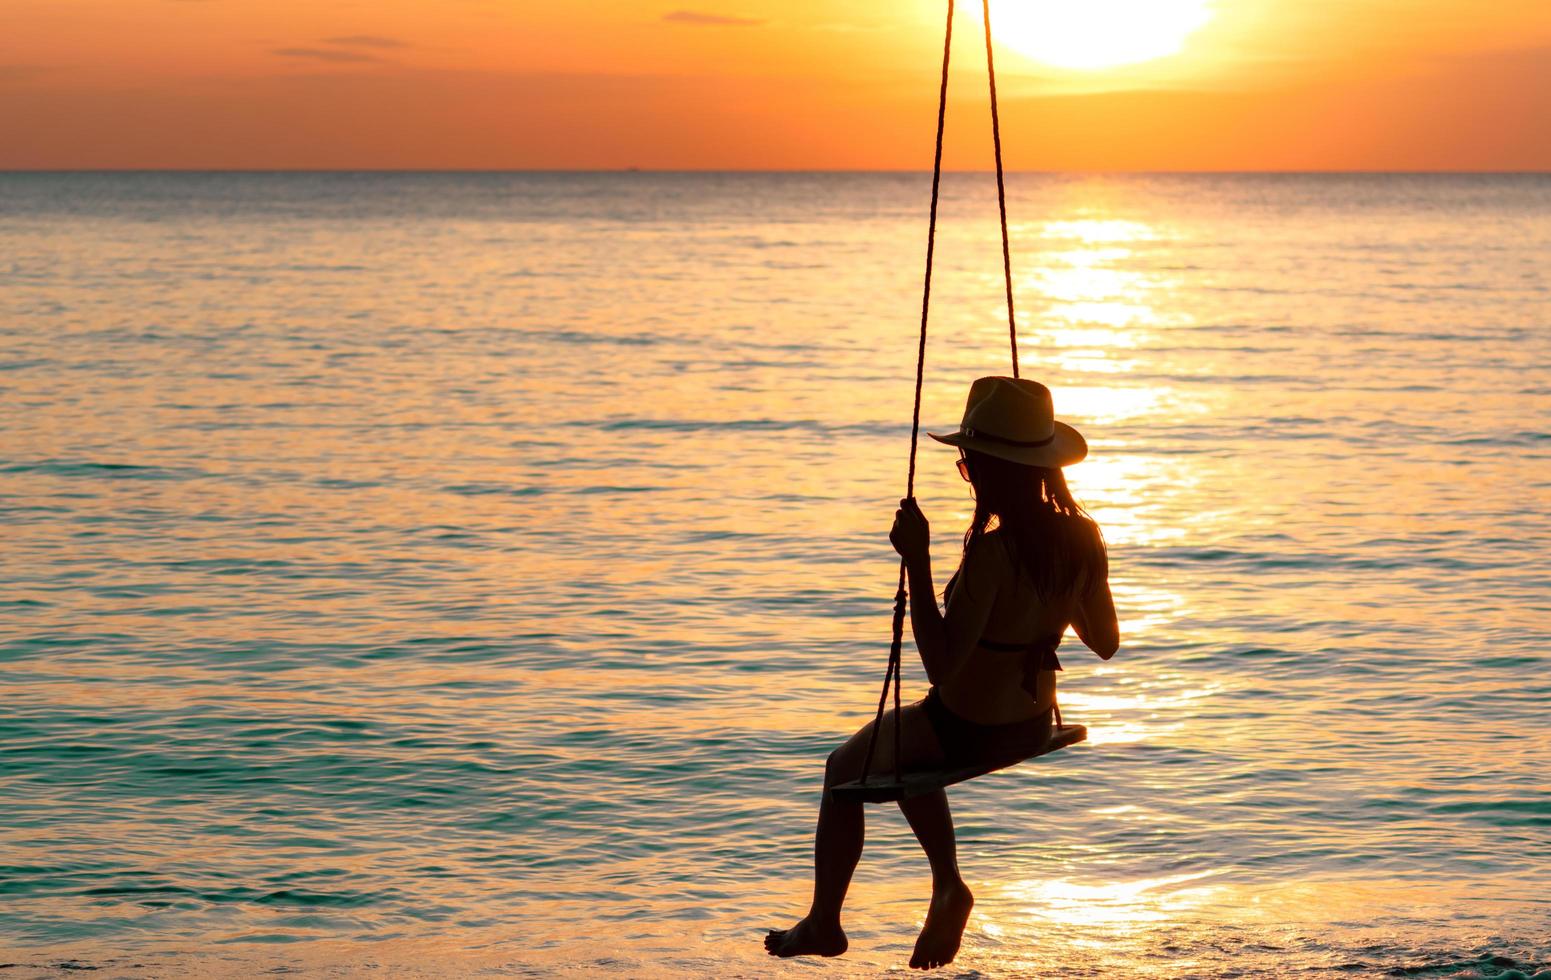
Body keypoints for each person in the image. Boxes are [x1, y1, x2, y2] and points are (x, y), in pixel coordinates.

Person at [765, 375, 1119, 970]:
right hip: (1030, 722)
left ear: (987, 468)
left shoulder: (994, 553)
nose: (967, 473)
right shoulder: (1081, 538)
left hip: (968, 724)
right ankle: (947, 886)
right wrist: (1057, 600)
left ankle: (827, 920)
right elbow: (1105, 642)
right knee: (906, 755)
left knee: (842, 768)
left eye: (967, 463)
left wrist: (919, 562)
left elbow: (941, 665)